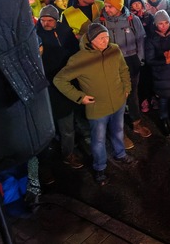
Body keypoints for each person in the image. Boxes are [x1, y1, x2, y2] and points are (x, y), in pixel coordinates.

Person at [54, 23, 137, 186]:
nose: (105, 41)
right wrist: (79, 97)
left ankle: (120, 154)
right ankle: (100, 168)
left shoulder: (114, 49)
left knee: (119, 130)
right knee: (98, 139)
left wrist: (126, 88)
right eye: (101, 38)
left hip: (118, 102)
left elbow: (123, 70)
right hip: (98, 108)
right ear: (91, 40)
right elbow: (59, 80)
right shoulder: (79, 59)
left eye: (106, 37)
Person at [35, 5, 86, 169]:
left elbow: (74, 51)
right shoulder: (36, 35)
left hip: (68, 80)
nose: (46, 24)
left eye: (49, 20)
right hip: (49, 85)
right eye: (43, 20)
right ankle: (67, 154)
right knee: (64, 123)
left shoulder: (65, 32)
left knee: (71, 120)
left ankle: (70, 147)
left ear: (56, 20)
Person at [95, 0, 151, 139]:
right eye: (106, 6)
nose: (107, 9)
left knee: (132, 93)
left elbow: (140, 40)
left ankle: (136, 122)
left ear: (119, 6)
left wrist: (139, 59)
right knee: (114, 94)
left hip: (131, 60)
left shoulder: (133, 19)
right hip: (112, 62)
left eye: (110, 6)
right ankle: (117, 129)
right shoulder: (100, 22)